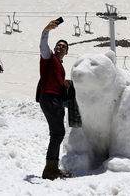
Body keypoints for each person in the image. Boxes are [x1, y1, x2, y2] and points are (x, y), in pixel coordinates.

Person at [38, 20, 72, 180]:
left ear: (66, 52)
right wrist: (46, 31)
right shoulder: (48, 57)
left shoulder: (60, 66)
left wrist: (64, 84)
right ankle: (50, 170)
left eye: (63, 46)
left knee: (57, 133)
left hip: (55, 100)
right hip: (49, 98)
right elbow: (43, 46)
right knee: (58, 133)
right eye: (59, 45)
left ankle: (52, 168)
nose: (60, 47)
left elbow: (57, 80)